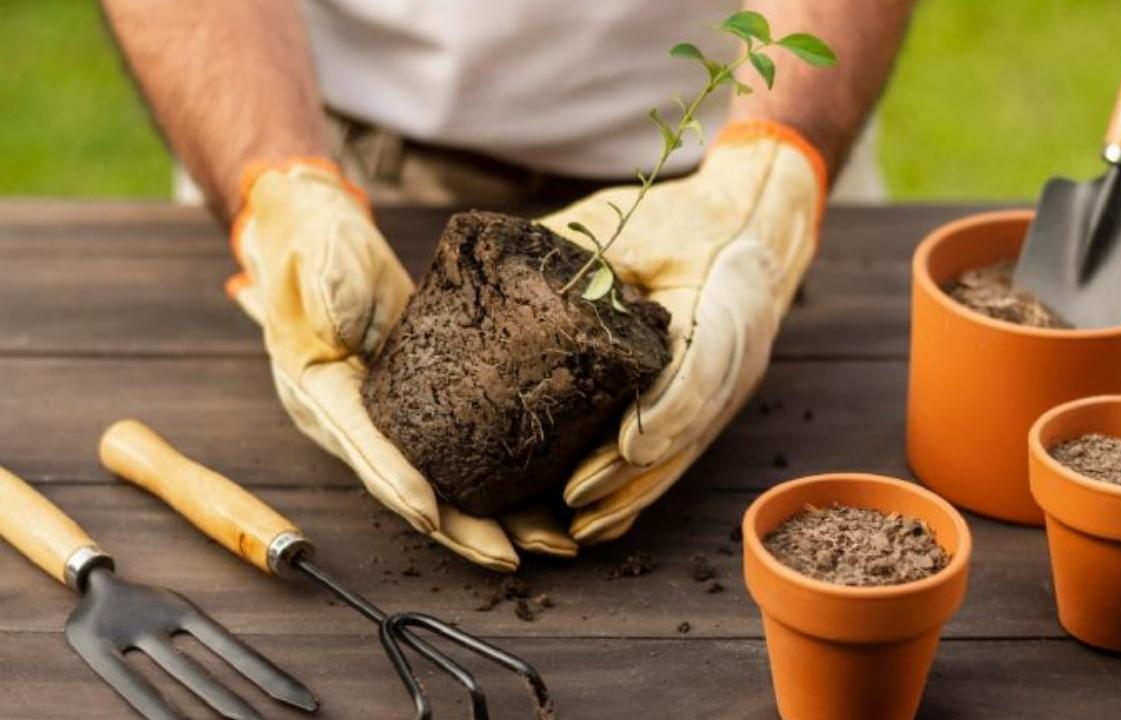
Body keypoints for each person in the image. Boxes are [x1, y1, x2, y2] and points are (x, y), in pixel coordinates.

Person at [101, 0, 915, 572]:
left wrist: (766, 178)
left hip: (731, 152)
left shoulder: (743, 173)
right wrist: (275, 190)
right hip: (326, 133)